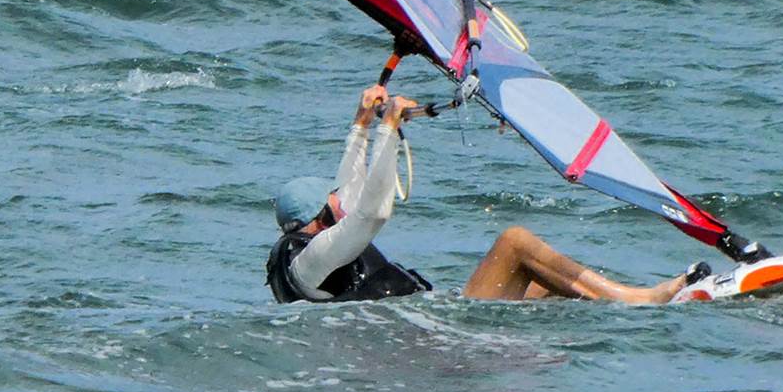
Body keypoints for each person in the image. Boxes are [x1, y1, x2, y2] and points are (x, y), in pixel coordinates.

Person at [266, 85, 707, 305]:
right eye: (334, 207)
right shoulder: (308, 262)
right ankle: (642, 302)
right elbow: (369, 214)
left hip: (433, 328)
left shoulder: (310, 254)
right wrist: (388, 131)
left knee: (543, 284)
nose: (343, 203)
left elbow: (349, 194)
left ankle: (653, 299)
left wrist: (361, 124)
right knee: (515, 243)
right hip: (440, 344)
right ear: (318, 222)